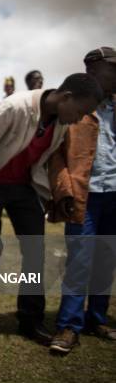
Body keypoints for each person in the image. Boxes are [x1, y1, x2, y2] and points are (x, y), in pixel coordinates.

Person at [0, 73, 104, 349]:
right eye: (80, 111)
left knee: (36, 253)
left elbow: (42, 161)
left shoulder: (59, 120)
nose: (78, 119)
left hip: (24, 187)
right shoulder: (14, 106)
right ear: (67, 97)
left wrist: (46, 192)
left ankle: (30, 320)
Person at [48, 47, 116, 354]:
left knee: (106, 260)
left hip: (114, 195)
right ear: (92, 69)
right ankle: (68, 326)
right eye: (112, 68)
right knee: (80, 261)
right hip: (84, 196)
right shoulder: (72, 107)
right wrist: (64, 191)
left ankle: (96, 318)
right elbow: (55, 156)